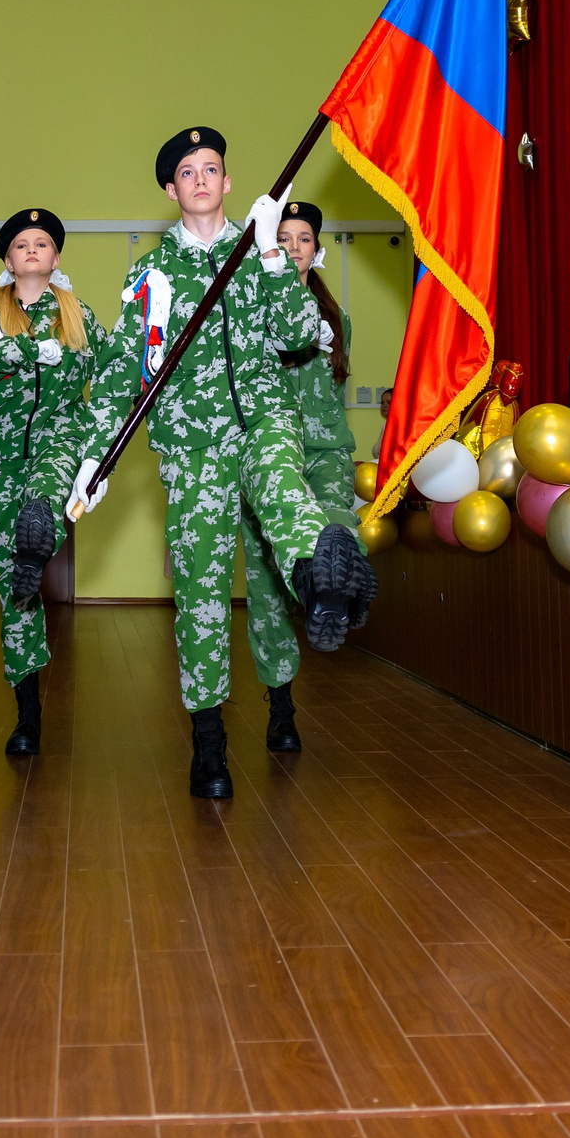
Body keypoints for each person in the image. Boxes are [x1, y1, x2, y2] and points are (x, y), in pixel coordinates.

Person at [78, 130, 375, 798]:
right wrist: (95, 453)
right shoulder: (150, 275)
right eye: (188, 171)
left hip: (264, 419)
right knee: (202, 591)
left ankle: (322, 573)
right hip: (191, 448)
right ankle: (208, 742)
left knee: (282, 486)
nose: (202, 178)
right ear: (170, 190)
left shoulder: (257, 252)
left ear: (228, 181)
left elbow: (301, 334)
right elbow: (125, 368)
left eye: (212, 167)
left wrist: (271, 251)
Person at [0, 210, 109, 755]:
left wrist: (100, 452)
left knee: (42, 506)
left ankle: (40, 531)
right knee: (17, 581)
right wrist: (25, 348)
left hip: (60, 438)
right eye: (21, 244)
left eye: (43, 244)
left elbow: (114, 373)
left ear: (56, 258)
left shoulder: (78, 315)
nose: (32, 250)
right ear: (7, 260)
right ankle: (28, 711)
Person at [236, 197, 368, 744]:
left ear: (317, 250)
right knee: (267, 586)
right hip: (269, 455)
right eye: (283, 237)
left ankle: (334, 592)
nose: (293, 248)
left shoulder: (338, 319)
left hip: (327, 451)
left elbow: (334, 390)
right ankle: (281, 705)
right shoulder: (252, 311)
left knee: (335, 531)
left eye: (304, 239)